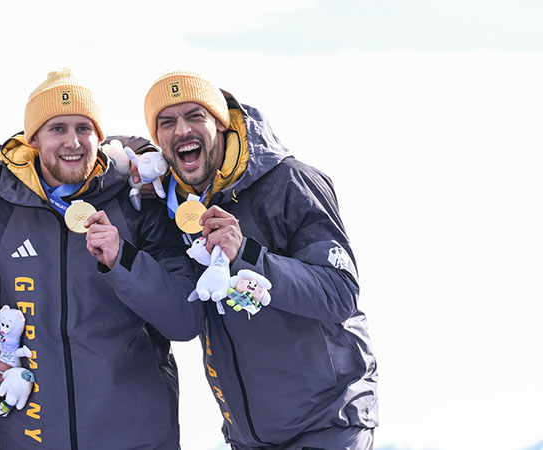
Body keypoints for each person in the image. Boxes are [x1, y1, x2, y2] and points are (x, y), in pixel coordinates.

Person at [142, 70, 378, 449]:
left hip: (328, 425)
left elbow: (339, 292)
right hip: (249, 437)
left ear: (221, 123)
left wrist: (247, 254)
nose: (181, 130)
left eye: (195, 116)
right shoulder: (176, 204)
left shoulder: (290, 182)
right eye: (166, 122)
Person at [0, 68, 200, 449]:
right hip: (33, 437)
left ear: (100, 136)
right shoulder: (2, 207)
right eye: (57, 129)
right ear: (33, 139)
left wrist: (122, 259)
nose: (73, 142)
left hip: (134, 437)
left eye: (84, 128)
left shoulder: (137, 203)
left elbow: (185, 319)